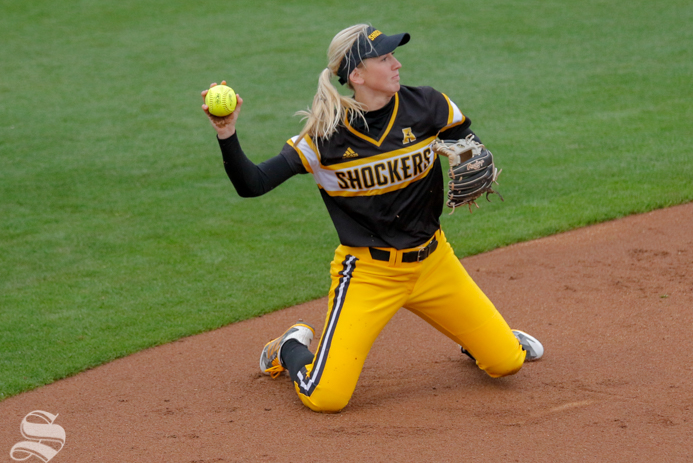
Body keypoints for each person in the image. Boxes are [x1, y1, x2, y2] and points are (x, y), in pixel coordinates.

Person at [202, 24, 543, 413]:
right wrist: (226, 133)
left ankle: (479, 337)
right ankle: (290, 347)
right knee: (326, 397)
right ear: (357, 76)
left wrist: (473, 152)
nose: (397, 64)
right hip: (368, 273)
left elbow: (466, 138)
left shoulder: (429, 105)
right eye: (384, 58)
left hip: (434, 262)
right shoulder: (325, 138)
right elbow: (253, 184)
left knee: (506, 362)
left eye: (394, 55)